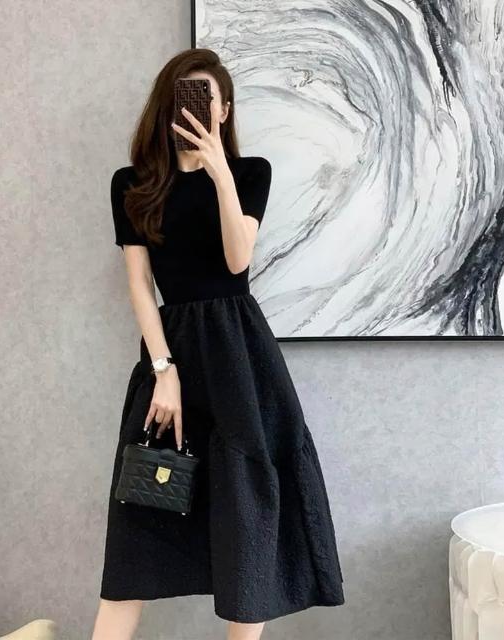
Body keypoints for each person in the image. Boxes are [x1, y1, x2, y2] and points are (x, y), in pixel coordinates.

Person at [91, 48, 344, 640]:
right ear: (165, 106)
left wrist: (219, 174)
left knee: (247, 505)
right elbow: (139, 284)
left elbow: (237, 260)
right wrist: (163, 369)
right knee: (140, 515)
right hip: (171, 351)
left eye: (207, 99)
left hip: (240, 355)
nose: (196, 109)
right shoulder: (133, 184)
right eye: (184, 96)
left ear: (225, 110)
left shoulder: (250, 173)